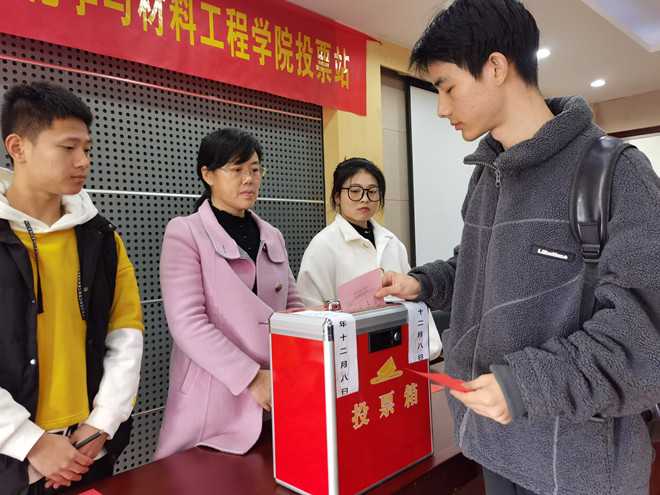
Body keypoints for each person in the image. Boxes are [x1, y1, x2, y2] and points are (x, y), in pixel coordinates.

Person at [375, 1, 660, 494]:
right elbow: (476, 266)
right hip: (495, 444)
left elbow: (644, 339)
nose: (441, 107)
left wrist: (524, 385)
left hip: (579, 467)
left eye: (447, 87)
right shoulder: (489, 174)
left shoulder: (616, 173)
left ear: (496, 67)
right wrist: (421, 283)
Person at [0, 82, 144, 494]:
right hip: (12, 462)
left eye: (87, 148)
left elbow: (126, 332)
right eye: (67, 148)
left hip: (88, 451)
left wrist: (103, 422)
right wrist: (29, 441)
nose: (83, 161)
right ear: (18, 147)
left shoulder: (101, 238)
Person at [153, 128, 303, 459]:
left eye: (255, 169)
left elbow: (294, 306)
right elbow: (188, 323)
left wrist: (301, 364)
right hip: (214, 397)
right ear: (207, 174)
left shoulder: (272, 235)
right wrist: (251, 377)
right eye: (236, 169)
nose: (249, 179)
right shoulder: (186, 232)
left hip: (275, 393)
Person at [296, 157, 441, 359]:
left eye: (372, 191)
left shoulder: (392, 242)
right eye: (355, 191)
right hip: (348, 356)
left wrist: (428, 348)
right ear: (337, 197)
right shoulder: (322, 246)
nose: (365, 199)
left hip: (399, 351)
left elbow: (413, 299)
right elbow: (310, 310)